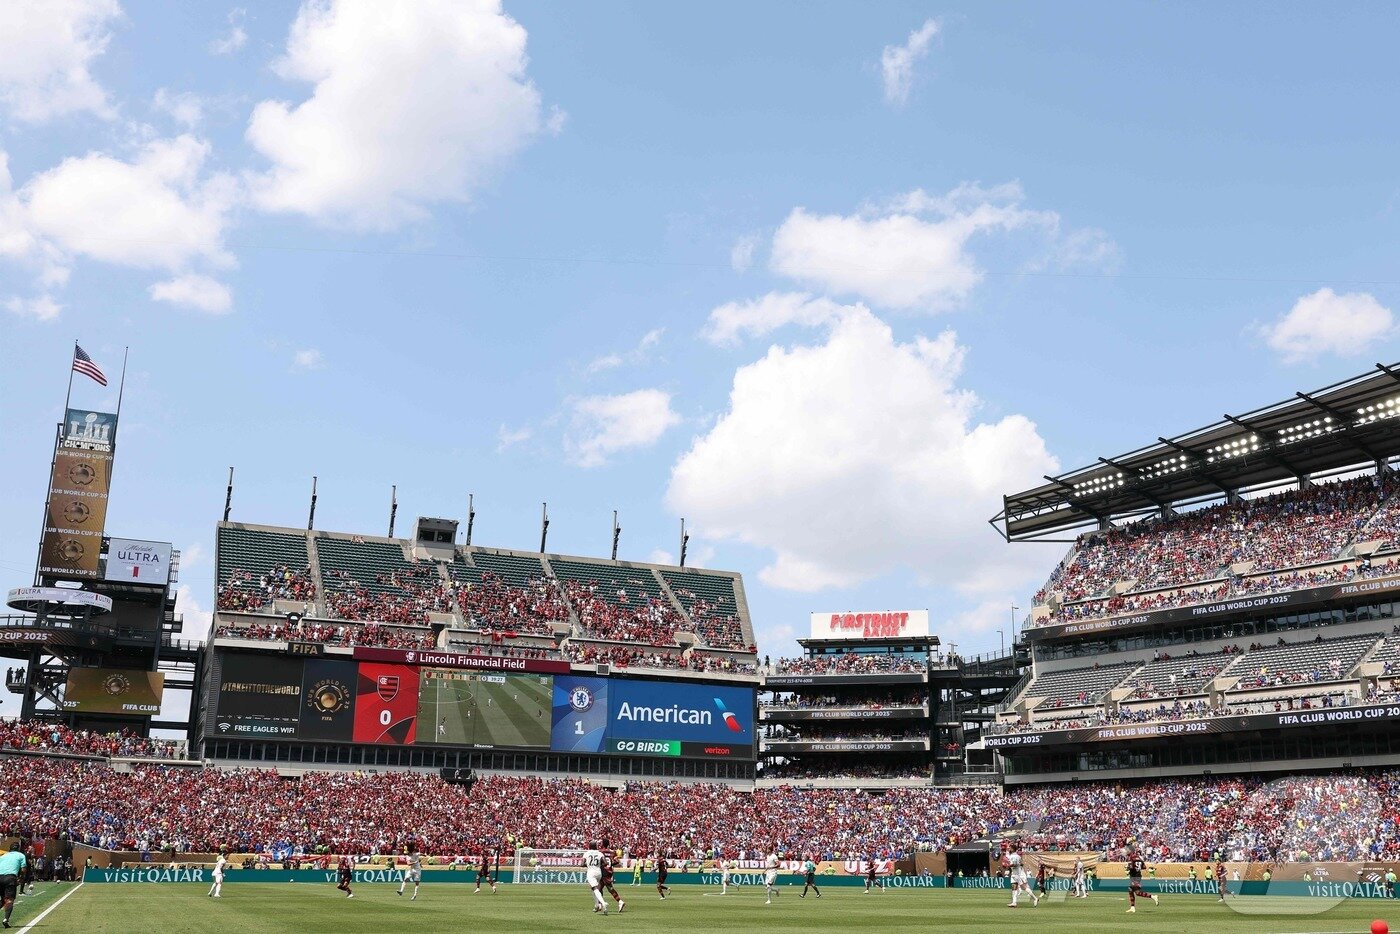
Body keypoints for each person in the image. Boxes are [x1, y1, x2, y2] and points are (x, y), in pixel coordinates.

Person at [0, 842, 26, 930]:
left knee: (3, 901)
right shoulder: (21, 855)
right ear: (18, 849)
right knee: (9, 900)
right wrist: (20, 879)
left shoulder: (3, 856)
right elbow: (23, 870)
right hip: (10, 877)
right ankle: (6, 920)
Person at [599, 841, 625, 913]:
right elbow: (617, 862)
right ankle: (600, 904)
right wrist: (610, 864)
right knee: (600, 887)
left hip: (603, 871)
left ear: (602, 844)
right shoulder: (612, 852)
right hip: (609, 871)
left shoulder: (600, 852)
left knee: (608, 888)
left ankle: (620, 901)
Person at [583, 842, 608, 914]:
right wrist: (599, 864)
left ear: (589, 846)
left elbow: (582, 864)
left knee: (595, 888)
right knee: (593, 888)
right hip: (598, 872)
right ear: (596, 846)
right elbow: (606, 863)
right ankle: (596, 905)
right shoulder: (600, 853)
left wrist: (588, 864)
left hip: (591, 872)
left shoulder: (587, 853)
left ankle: (603, 903)